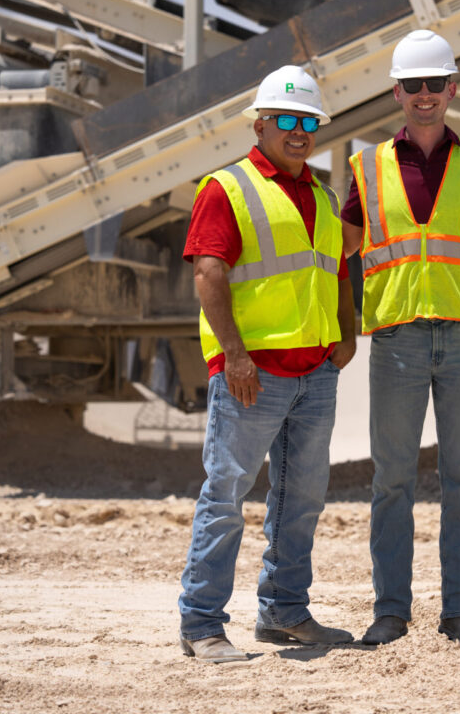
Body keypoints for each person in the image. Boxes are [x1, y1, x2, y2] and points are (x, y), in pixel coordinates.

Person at [341, 30, 460, 648]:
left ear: (452, 89)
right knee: (391, 479)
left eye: (434, 84)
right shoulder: (365, 167)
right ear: (397, 91)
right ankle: (390, 611)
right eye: (412, 85)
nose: (424, 96)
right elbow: (338, 255)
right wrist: (339, 330)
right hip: (396, 341)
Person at [177, 65, 357, 662]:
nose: (299, 130)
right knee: (226, 495)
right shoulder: (225, 188)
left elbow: (335, 269)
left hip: (315, 374)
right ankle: (201, 624)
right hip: (251, 375)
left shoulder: (325, 197)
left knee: (301, 499)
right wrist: (234, 355)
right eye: (286, 119)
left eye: (309, 121)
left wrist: (346, 332)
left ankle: (283, 611)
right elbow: (209, 273)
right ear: (260, 124)